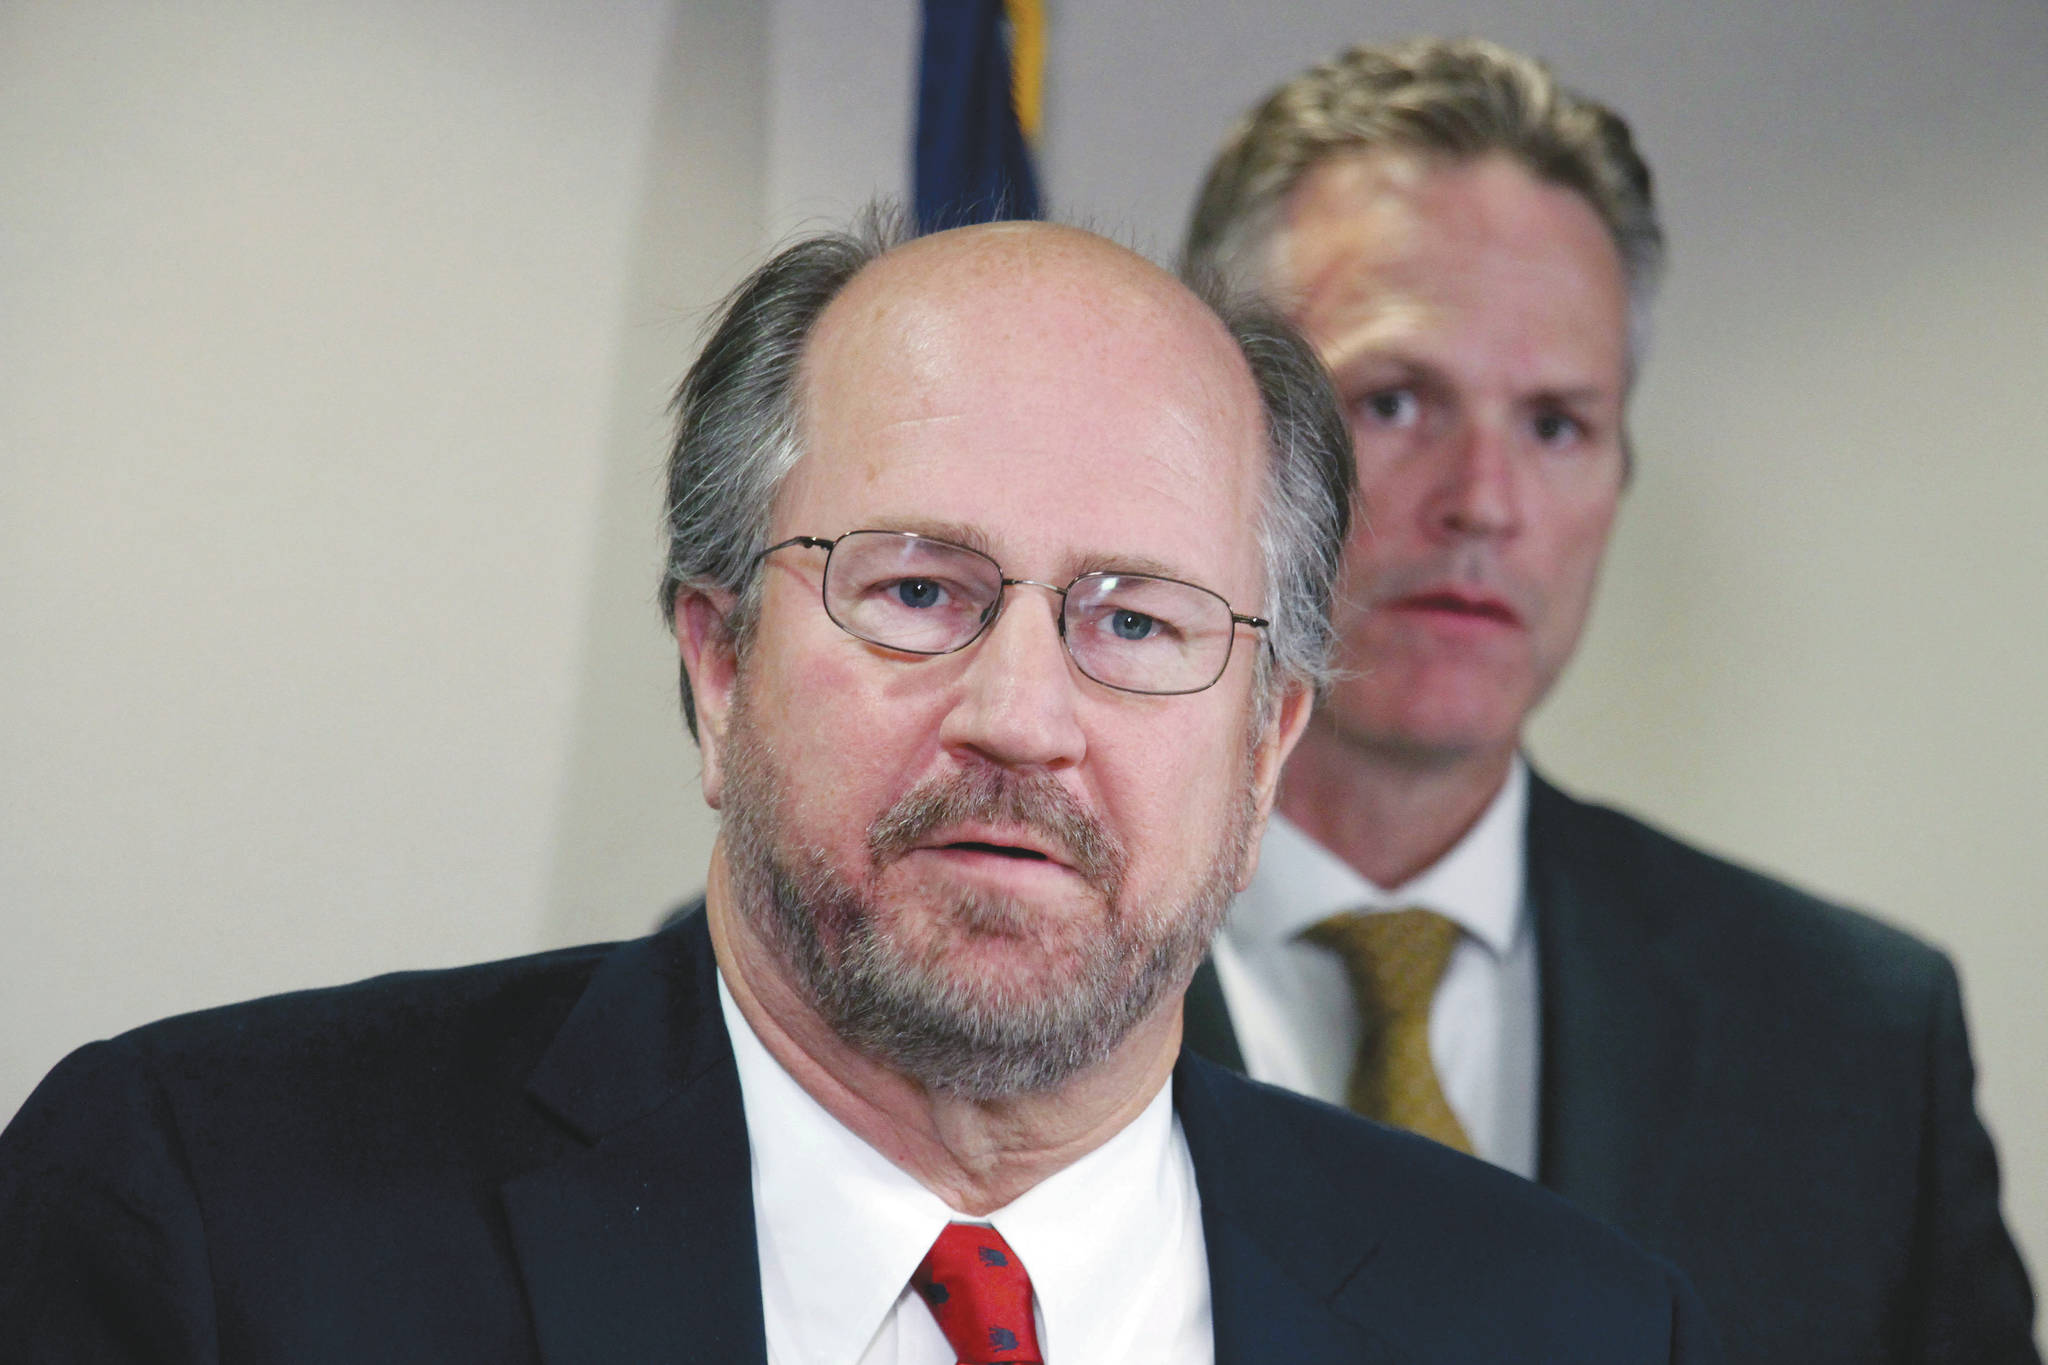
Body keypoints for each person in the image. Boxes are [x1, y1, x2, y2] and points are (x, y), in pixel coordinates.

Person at [0, 214, 1718, 1361]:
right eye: (917, 589)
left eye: (1137, 618)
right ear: (719, 660)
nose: (1022, 715)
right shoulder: (211, 1219)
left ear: (1266, 740)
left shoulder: (1564, 1322)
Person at [1179, 36, 2038, 1365]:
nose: (1485, 500)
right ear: (1203, 434)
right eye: (1397, 400)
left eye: (1558, 422)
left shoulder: (1857, 1044)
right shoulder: (977, 969)